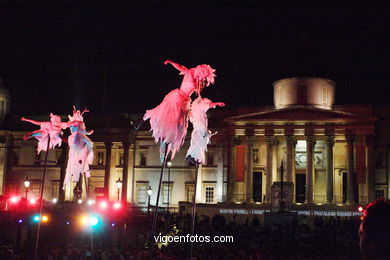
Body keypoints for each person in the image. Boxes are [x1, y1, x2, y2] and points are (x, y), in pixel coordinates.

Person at [143, 60, 216, 162]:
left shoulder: (197, 81)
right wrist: (170, 62)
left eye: (203, 78)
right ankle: (162, 139)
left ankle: (167, 144)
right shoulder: (190, 73)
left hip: (185, 102)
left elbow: (199, 94)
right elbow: (180, 67)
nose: (202, 79)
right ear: (199, 71)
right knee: (172, 118)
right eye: (202, 77)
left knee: (180, 126)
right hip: (178, 98)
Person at [185, 97, 224, 165]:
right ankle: (192, 156)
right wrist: (217, 103)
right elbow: (209, 105)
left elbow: (190, 117)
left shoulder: (194, 109)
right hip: (201, 128)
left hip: (196, 128)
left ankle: (191, 156)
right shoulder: (201, 106)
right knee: (200, 143)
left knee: (195, 143)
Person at [64, 107, 94, 189]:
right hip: (75, 138)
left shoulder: (80, 122)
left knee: (90, 144)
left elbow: (82, 130)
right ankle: (75, 172)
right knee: (74, 156)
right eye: (77, 113)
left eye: (79, 113)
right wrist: (88, 132)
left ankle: (85, 160)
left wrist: (87, 132)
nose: (78, 114)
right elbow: (78, 130)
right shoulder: (73, 123)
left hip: (80, 137)